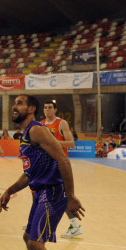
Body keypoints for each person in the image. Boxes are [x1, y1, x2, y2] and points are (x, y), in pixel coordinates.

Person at [0, 94, 85, 250]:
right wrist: (9, 190)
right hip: (40, 191)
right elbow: (30, 174)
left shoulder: (37, 130)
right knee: (28, 238)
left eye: (19, 103)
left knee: (37, 243)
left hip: (53, 192)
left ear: (31, 109)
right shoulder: (26, 135)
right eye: (14, 103)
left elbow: (63, 161)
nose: (14, 106)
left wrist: (70, 196)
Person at [41, 101, 84, 239]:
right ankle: (40, 222)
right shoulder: (41, 124)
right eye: (45, 108)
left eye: (50, 108)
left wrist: (53, 143)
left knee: (60, 196)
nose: (47, 110)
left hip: (59, 164)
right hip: (47, 164)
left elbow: (71, 143)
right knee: (45, 194)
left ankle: (75, 225)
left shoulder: (61, 123)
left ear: (55, 110)